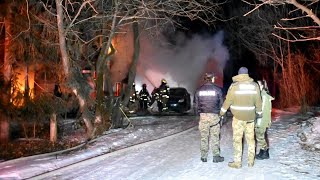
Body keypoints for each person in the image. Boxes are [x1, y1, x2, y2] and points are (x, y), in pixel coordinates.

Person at [219, 67, 262, 168]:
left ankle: (237, 163)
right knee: (251, 140)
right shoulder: (254, 85)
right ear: (247, 74)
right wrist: (259, 113)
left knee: (237, 140)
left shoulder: (234, 86)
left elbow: (228, 101)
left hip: (238, 118)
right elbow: (258, 102)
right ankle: (251, 162)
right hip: (250, 118)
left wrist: (221, 112)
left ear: (238, 74)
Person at [194, 72, 224, 163]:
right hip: (214, 116)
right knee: (215, 136)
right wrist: (222, 116)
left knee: (204, 137)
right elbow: (221, 104)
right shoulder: (218, 90)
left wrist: (197, 116)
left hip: (203, 116)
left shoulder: (198, 90)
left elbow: (195, 105)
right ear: (212, 79)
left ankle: (204, 157)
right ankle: (216, 156)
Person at [255, 80, 274, 160]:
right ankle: (263, 151)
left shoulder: (263, 95)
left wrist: (259, 119)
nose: (257, 86)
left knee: (259, 135)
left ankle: (265, 152)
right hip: (261, 119)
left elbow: (263, 109)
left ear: (262, 86)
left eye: (258, 84)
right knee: (260, 135)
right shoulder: (262, 94)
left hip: (262, 119)